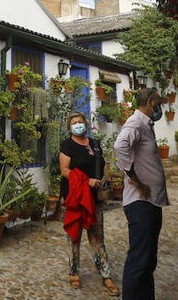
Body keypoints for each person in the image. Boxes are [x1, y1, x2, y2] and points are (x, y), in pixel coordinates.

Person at [113, 87, 169, 300]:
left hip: (151, 201)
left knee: (148, 260)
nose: (160, 107)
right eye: (158, 103)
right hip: (140, 202)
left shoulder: (146, 124)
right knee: (139, 259)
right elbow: (120, 146)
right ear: (150, 103)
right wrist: (134, 177)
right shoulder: (136, 122)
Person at [59, 111, 120, 296]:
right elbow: (64, 170)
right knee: (74, 236)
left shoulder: (95, 144)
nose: (78, 124)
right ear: (70, 126)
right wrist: (85, 182)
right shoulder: (67, 145)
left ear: (86, 124)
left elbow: (103, 164)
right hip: (75, 197)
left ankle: (105, 274)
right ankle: (74, 272)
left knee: (97, 236)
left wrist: (104, 175)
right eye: (74, 122)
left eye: (80, 122)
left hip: (94, 198)